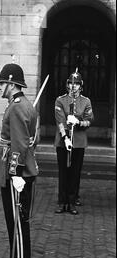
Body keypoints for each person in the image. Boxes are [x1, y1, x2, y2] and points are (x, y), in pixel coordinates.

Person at [0, 63, 38, 258]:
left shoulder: (18, 107)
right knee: (16, 220)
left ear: (11, 84)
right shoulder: (21, 104)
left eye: (2, 83)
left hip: (16, 173)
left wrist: (16, 173)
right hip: (18, 170)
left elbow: (20, 144)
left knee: (17, 221)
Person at [54, 69, 94, 215]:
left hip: (78, 142)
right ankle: (61, 202)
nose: (73, 86)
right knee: (63, 173)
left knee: (75, 173)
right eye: (71, 83)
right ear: (67, 85)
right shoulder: (60, 100)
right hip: (63, 142)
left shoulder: (86, 101)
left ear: (80, 85)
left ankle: (71, 202)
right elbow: (59, 120)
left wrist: (78, 122)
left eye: (76, 84)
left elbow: (89, 121)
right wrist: (65, 137)